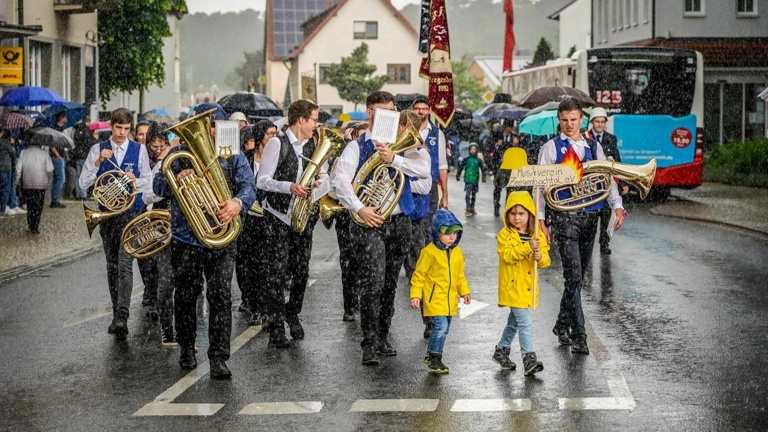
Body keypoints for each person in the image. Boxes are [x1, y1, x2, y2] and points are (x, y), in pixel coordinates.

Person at [153, 102, 256, 378]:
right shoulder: (177, 153)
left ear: (221, 126)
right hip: (188, 237)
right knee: (186, 295)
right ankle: (187, 347)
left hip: (222, 237)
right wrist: (177, 175)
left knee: (221, 296)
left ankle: (219, 358)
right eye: (204, 123)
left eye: (213, 123)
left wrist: (236, 204)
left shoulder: (231, 152)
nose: (209, 129)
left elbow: (249, 186)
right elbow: (157, 188)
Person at [331, 90, 430, 366]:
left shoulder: (402, 143)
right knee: (372, 283)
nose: (388, 115)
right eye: (382, 110)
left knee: (389, 284)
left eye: (392, 110)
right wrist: (360, 207)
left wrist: (394, 160)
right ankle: (369, 343)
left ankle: (384, 335)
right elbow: (340, 182)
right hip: (368, 223)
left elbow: (424, 170)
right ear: (370, 113)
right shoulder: (356, 146)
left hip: (399, 223)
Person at [537, 99, 624, 355]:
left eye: (573, 119)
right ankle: (580, 335)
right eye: (564, 120)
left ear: (581, 120)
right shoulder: (550, 148)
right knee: (573, 277)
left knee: (578, 278)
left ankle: (561, 324)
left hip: (591, 218)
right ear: (559, 120)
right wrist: (541, 220)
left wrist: (616, 205)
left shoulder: (594, 146)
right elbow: (540, 188)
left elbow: (605, 180)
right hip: (564, 219)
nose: (569, 124)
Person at [79, 108, 152, 339]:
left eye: (127, 129)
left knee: (124, 265)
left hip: (131, 214)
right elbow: (83, 183)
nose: (122, 133)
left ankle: (122, 316)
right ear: (111, 126)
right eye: (118, 128)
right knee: (111, 266)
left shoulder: (139, 150)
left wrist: (135, 181)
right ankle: (115, 314)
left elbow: (149, 182)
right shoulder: (97, 149)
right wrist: (99, 161)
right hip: (108, 217)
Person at [256, 99, 321, 348]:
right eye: (314, 119)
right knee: (277, 273)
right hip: (278, 217)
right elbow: (262, 180)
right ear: (301, 120)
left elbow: (317, 174)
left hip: (302, 217)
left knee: (301, 271)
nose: (316, 124)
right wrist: (289, 187)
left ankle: (292, 312)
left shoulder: (312, 144)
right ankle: (276, 326)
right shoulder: (276, 143)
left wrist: (317, 183)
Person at [493, 191, 551, 375]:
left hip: (528, 287)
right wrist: (527, 247)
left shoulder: (537, 234)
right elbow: (507, 255)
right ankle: (529, 359)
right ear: (507, 215)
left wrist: (540, 257)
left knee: (514, 323)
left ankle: (501, 350)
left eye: (521, 213)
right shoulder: (505, 235)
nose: (517, 218)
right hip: (512, 286)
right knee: (525, 323)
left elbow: (545, 261)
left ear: (530, 214)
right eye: (513, 213)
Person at [409, 209, 471, 374]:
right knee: (441, 328)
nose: (452, 237)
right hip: (434, 299)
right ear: (437, 233)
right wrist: (416, 294)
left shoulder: (456, 252)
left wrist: (464, 292)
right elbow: (419, 276)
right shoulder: (428, 252)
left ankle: (435, 357)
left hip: (449, 301)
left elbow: (459, 276)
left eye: (455, 233)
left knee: (444, 330)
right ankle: (433, 357)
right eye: (447, 233)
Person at [410, 95, 449, 339]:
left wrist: (445, 194)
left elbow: (442, 165)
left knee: (426, 248)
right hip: (406, 191)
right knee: (413, 253)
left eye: (425, 109)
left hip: (430, 192)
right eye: (418, 109)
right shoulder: (402, 131)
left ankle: (429, 317)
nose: (422, 113)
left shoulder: (437, 134)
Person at [236, 119, 276, 327]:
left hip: (269, 219)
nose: (273, 138)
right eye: (269, 133)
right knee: (245, 264)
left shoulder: (277, 158)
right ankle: (250, 301)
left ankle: (263, 307)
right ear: (260, 136)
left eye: (275, 133)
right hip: (247, 219)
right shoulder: (246, 158)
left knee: (266, 265)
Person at [140, 122, 177, 347]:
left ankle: (184, 330)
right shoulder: (156, 165)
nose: (158, 150)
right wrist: (166, 190)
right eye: (155, 146)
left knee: (185, 283)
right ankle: (167, 328)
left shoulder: (179, 159)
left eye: (162, 146)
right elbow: (146, 196)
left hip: (185, 227)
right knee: (166, 281)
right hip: (162, 227)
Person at [586, 107, 625, 255]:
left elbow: (617, 159)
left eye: (602, 122)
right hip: (592, 183)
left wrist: (624, 183)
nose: (600, 125)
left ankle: (604, 243)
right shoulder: (586, 137)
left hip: (607, 183)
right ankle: (588, 244)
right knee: (592, 216)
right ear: (592, 122)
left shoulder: (611, 138)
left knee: (607, 215)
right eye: (597, 122)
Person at [14, 140, 53, 233]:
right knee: (38, 206)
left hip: (27, 183)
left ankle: (30, 224)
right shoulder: (44, 153)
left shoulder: (24, 152)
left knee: (30, 205)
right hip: (41, 184)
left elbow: (18, 168)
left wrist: (16, 181)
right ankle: (35, 226)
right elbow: (50, 168)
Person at [455, 143, 486, 216]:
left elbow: (483, 169)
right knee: (468, 194)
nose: (473, 150)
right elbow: (460, 167)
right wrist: (458, 175)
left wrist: (483, 177)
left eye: (474, 149)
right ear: (469, 150)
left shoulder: (478, 160)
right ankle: (468, 207)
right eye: (471, 149)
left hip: (475, 179)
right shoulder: (466, 159)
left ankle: (472, 207)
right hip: (468, 179)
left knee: (474, 194)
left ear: (476, 150)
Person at [71, 116, 93, 201]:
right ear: (88, 121)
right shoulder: (86, 131)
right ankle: (83, 195)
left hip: (78, 155)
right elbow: (88, 144)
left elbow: (76, 142)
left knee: (78, 175)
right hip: (84, 155)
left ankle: (78, 194)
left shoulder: (77, 130)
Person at [49, 112, 68, 209]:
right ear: (61, 117)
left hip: (59, 156)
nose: (67, 118)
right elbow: (52, 145)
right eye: (65, 116)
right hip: (57, 157)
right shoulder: (55, 130)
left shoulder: (60, 130)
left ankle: (54, 200)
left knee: (57, 178)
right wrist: (58, 155)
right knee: (61, 178)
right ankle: (55, 200)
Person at [0, 129, 16, 216]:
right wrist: (12, 144)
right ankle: (2, 210)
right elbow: (13, 153)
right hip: (5, 169)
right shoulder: (5, 142)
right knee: (5, 190)